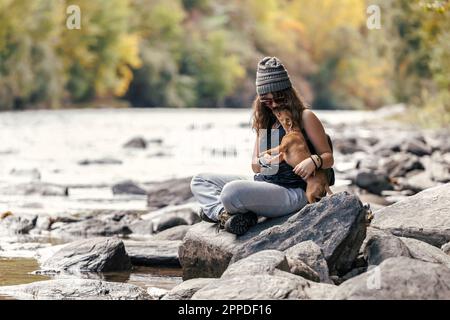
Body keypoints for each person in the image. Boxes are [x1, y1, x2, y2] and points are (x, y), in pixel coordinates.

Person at [190, 56, 334, 235]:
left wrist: (313, 161)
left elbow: (328, 158)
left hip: (294, 192)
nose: (273, 104)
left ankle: (225, 211)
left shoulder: (306, 117)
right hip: (266, 183)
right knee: (200, 180)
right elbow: (256, 167)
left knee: (230, 192)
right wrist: (268, 159)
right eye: (266, 100)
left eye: (278, 98)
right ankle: (225, 215)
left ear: (288, 92)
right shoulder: (265, 122)